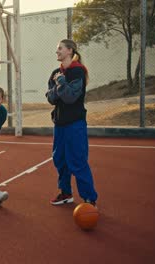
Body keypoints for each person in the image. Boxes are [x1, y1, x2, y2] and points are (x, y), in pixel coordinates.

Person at [45, 39, 98, 207]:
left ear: (69, 51)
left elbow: (69, 98)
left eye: (60, 48)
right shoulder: (56, 72)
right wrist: (60, 86)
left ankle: (89, 198)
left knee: (77, 161)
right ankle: (66, 193)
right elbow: (51, 98)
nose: (57, 52)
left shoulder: (78, 72)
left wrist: (60, 83)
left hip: (75, 124)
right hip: (59, 124)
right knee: (60, 160)